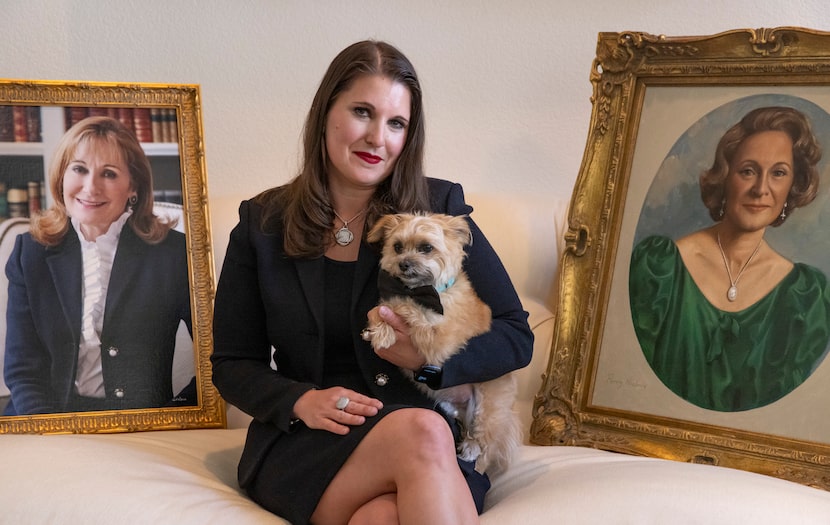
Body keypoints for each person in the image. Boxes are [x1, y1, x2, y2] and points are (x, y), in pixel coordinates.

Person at [211, 40, 533, 524]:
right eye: (363, 112)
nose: (377, 138)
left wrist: (429, 362)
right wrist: (300, 399)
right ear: (327, 113)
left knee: (381, 516)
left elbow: (515, 333)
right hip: (311, 443)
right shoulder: (263, 223)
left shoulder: (437, 209)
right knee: (422, 434)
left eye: (396, 123)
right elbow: (233, 363)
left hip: (432, 439)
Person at [629, 106, 830, 412]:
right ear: (725, 177)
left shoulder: (805, 298)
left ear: (793, 186)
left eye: (778, 173)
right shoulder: (661, 267)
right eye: (748, 170)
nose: (761, 189)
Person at [4, 115, 194, 415]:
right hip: (41, 421)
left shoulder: (173, 255)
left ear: (134, 186)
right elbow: (22, 369)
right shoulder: (30, 252)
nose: (90, 187)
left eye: (109, 174)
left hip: (139, 428)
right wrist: (51, 433)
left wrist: (176, 413)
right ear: (61, 177)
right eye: (79, 169)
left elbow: (220, 359)